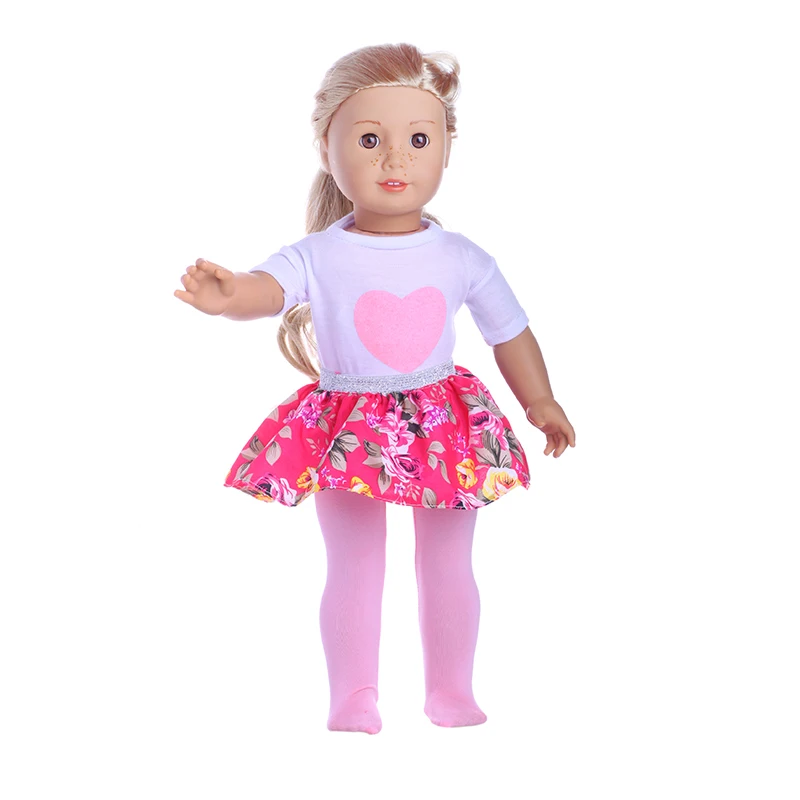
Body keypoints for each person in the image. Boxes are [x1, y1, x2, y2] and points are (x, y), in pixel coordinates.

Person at [174, 43, 576, 735]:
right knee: (354, 564)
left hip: (444, 424)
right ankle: (353, 694)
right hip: (348, 429)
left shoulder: (462, 256)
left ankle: (450, 688)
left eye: (419, 140)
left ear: (446, 148)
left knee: (449, 562)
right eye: (369, 139)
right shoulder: (318, 255)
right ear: (326, 151)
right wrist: (230, 294)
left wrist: (540, 400)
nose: (396, 158)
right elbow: (267, 289)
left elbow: (509, 331)